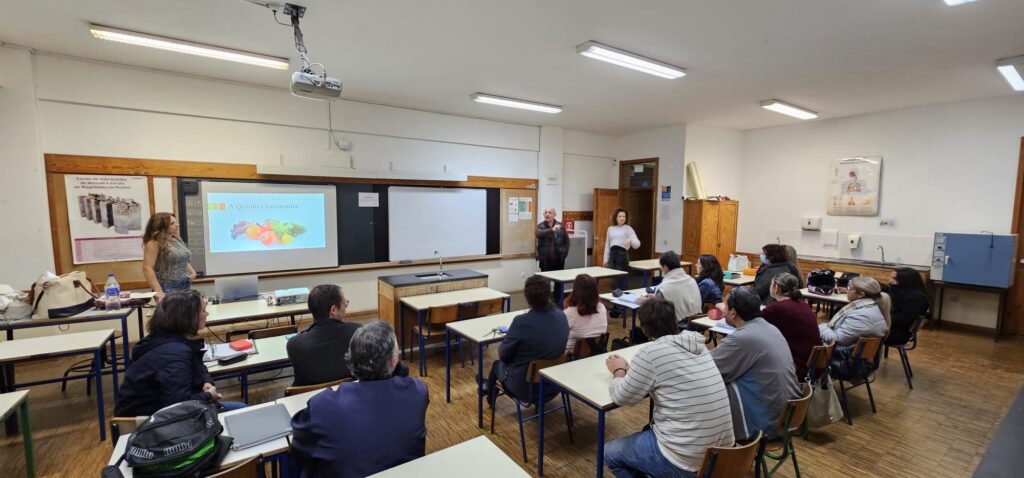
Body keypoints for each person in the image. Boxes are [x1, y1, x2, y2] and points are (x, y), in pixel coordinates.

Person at [604, 298, 734, 478]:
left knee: (609, 453)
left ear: (644, 328)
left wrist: (618, 370)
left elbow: (621, 397)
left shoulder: (651, 353)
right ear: (674, 320)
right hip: (724, 457)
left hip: (687, 461)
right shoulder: (698, 344)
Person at [290, 321, 428, 478]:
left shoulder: (323, 405)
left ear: (351, 362)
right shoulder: (418, 391)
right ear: (394, 361)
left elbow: (299, 442)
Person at [115, 290, 245, 417]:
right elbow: (178, 404)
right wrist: (208, 395)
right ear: (188, 317)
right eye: (203, 310)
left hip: (161, 413)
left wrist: (207, 381)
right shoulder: (174, 353)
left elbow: (199, 367)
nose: (207, 314)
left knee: (241, 410)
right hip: (153, 425)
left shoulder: (165, 339)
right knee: (243, 412)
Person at [711, 288, 801, 441]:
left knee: (708, 390)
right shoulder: (769, 327)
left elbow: (707, 368)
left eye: (725, 307)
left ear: (733, 313)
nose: (723, 310)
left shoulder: (743, 338)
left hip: (765, 424)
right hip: (787, 417)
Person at [486, 275, 569, 406]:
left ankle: (488, 395)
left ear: (527, 297)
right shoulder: (562, 315)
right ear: (549, 293)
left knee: (497, 365)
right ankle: (486, 386)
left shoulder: (521, 322)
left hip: (526, 389)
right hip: (554, 384)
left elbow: (503, 354)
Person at [287, 284, 362, 386]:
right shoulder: (358, 332)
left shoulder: (294, 345)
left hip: (309, 399)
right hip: (348, 395)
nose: (345, 308)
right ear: (333, 310)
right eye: (344, 303)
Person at [760, 273, 821, 380]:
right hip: (813, 364)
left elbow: (753, 324)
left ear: (776, 288)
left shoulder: (776, 308)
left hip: (796, 367)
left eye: (771, 284)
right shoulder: (803, 304)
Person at [819, 276, 891, 347]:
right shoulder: (872, 307)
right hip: (850, 354)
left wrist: (820, 327)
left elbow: (837, 339)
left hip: (841, 356)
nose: (847, 291)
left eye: (849, 289)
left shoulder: (862, 316)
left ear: (861, 294)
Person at [142, 212, 196, 302]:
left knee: (188, 314)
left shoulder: (175, 240)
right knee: (173, 315)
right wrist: (158, 291)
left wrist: (193, 272)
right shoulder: (154, 243)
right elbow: (147, 268)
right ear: (161, 226)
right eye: (172, 223)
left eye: (176, 222)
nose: (177, 225)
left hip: (185, 284)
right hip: (167, 286)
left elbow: (181, 258)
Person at [637, 251, 702, 322]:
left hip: (677, 325)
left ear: (665, 267)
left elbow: (658, 308)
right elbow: (678, 296)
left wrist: (646, 301)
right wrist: (656, 296)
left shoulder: (664, 287)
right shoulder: (691, 280)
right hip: (695, 322)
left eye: (661, 266)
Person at [883, 267, 930, 347]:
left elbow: (904, 320)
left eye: (894, 278)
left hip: (898, 334)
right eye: (891, 277)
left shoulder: (917, 299)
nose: (890, 281)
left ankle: (866, 357)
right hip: (889, 328)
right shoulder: (899, 291)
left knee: (863, 331)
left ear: (906, 281)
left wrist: (881, 316)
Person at [604, 208, 641, 307]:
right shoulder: (610, 229)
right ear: (615, 217)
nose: (622, 218)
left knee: (621, 281)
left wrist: (630, 241)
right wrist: (605, 259)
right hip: (612, 257)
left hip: (622, 257)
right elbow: (607, 244)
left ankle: (622, 305)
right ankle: (616, 304)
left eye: (624, 216)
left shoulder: (628, 229)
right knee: (612, 280)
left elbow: (637, 244)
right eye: (620, 216)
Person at [564, 274, 608, 354]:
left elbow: (559, 336)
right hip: (595, 354)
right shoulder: (602, 308)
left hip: (570, 357)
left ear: (575, 291)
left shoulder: (569, 313)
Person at [535, 208, 571, 272]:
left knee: (559, 280)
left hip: (559, 260)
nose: (547, 214)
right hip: (545, 261)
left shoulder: (561, 226)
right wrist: (551, 230)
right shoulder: (540, 226)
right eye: (545, 213)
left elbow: (567, 241)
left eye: (549, 213)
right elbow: (538, 233)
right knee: (545, 281)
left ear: (554, 215)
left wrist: (565, 253)